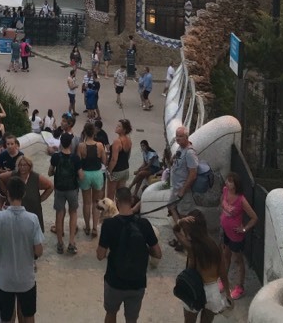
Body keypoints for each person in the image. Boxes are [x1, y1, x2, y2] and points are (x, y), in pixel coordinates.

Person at [0, 176, 44, 323]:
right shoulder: (32, 219)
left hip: (5, 279)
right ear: (23, 194)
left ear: (8, 194)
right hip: (26, 278)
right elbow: (39, 251)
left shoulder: (0, 218)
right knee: (28, 315)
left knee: (7, 317)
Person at [97, 186, 162, 323]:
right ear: (132, 200)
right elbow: (157, 253)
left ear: (116, 201)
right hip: (137, 282)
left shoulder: (108, 224)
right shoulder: (144, 224)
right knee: (132, 319)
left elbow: (100, 255)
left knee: (111, 313)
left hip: (114, 281)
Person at [174, 214, 231, 320]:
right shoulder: (215, 246)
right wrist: (228, 293)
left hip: (194, 288)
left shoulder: (191, 247)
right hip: (213, 291)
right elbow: (223, 273)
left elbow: (176, 231)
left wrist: (180, 222)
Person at [219, 172, 258, 300]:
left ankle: (239, 287)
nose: (227, 182)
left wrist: (244, 228)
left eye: (230, 181)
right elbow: (222, 202)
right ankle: (224, 280)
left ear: (235, 185)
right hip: (226, 231)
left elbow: (254, 218)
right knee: (226, 256)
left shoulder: (241, 200)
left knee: (238, 260)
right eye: (227, 180)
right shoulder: (225, 191)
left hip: (236, 236)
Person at [48, 131, 83, 255]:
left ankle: (59, 243)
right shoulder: (75, 158)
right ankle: (71, 243)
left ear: (61, 143)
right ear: (71, 144)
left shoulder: (56, 157)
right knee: (73, 213)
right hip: (72, 189)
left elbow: (50, 172)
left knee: (59, 214)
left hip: (59, 189)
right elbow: (81, 176)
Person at [167, 126, 199, 231]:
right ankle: (179, 233)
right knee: (171, 207)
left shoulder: (190, 153)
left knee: (183, 215)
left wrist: (183, 190)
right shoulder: (180, 147)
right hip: (176, 187)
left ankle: (185, 239)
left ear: (186, 137)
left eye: (180, 136)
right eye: (177, 136)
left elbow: (193, 174)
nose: (177, 138)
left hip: (183, 189)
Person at [79, 122, 107, 237]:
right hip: (97, 174)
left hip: (85, 174)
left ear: (85, 132)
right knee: (96, 202)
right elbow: (104, 161)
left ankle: (87, 226)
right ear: (94, 132)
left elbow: (78, 162)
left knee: (86, 203)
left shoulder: (81, 146)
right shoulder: (100, 145)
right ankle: (95, 227)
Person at [14, 155, 52, 232]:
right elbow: (0, 178)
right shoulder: (14, 176)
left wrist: (40, 199)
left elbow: (50, 186)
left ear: (29, 166)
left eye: (24, 165)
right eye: (20, 165)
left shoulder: (35, 177)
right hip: (19, 211)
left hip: (33, 210)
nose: (22, 167)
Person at [106, 119, 133, 200]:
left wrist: (109, 171)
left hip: (116, 170)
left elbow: (114, 159)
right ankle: (121, 210)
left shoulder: (117, 142)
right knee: (120, 195)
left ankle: (110, 212)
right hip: (125, 169)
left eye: (119, 126)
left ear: (124, 130)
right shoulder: (129, 140)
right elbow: (128, 156)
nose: (116, 127)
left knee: (110, 196)